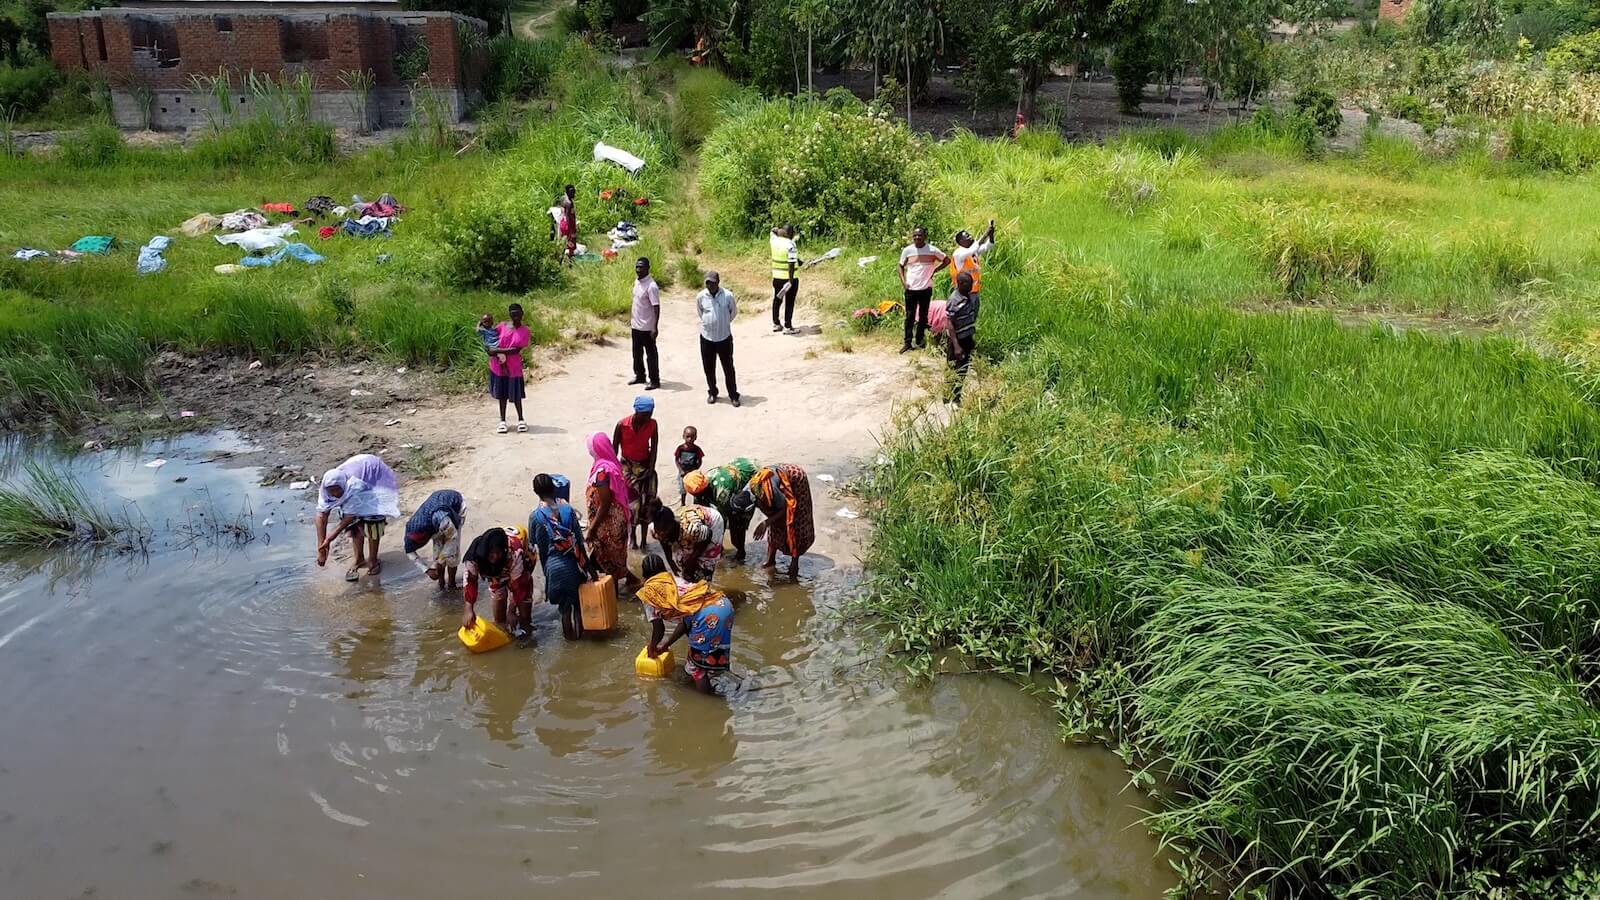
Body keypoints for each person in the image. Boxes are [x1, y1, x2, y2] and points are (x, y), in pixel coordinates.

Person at [637, 553, 734, 695]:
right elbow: (686, 622)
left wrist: (652, 647)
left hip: (708, 616)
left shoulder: (650, 593)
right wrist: (665, 645)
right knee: (709, 657)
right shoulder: (672, 580)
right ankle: (716, 689)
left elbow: (659, 629)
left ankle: (709, 704)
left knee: (696, 668)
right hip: (723, 604)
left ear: (645, 576)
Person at [315, 453, 401, 582]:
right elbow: (321, 516)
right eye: (331, 491)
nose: (335, 494)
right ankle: (359, 559)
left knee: (373, 519)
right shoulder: (325, 491)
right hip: (358, 471)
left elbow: (350, 517)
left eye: (338, 490)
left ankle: (373, 560)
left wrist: (329, 539)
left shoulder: (353, 485)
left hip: (372, 475)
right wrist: (322, 548)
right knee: (354, 526)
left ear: (343, 485)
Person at [529, 473, 589, 641]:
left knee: (565, 610)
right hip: (572, 565)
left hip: (552, 568)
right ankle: (580, 640)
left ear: (535, 492)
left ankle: (570, 643)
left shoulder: (535, 516)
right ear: (554, 488)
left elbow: (534, 543)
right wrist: (588, 567)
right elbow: (579, 540)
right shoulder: (568, 509)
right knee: (577, 606)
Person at [740, 463, 814, 579]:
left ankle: (794, 563)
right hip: (777, 479)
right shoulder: (748, 491)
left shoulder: (771, 492)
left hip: (796, 480)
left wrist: (766, 523)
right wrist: (769, 520)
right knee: (775, 522)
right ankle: (770, 560)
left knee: (794, 522)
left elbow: (786, 509)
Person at [461, 526, 535, 637]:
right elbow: (470, 581)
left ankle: (526, 630)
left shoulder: (514, 554)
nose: (495, 557)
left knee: (524, 602)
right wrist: (468, 608)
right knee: (498, 595)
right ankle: (503, 631)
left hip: (525, 558)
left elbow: (519, 586)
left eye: (498, 553)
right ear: (486, 550)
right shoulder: (475, 555)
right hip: (493, 569)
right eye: (492, 553)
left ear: (503, 551)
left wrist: (512, 610)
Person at [585, 431, 636, 589]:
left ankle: (612, 598)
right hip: (617, 521)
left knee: (608, 560)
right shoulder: (612, 464)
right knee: (615, 556)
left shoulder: (602, 473)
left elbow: (605, 503)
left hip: (608, 524)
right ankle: (630, 579)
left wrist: (592, 529)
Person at [684, 457, 757, 560]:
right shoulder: (701, 483)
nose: (695, 497)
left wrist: (716, 546)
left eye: (696, 495)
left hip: (749, 474)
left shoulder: (722, 491)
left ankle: (741, 552)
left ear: (703, 491)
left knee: (737, 523)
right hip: (733, 472)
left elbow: (721, 521)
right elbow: (700, 511)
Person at [613, 395, 660, 550]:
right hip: (627, 467)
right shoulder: (622, 425)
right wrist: (614, 472)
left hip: (646, 466)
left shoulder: (652, 424)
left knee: (648, 504)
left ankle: (644, 540)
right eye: (646, 414)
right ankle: (632, 536)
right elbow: (614, 450)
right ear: (637, 412)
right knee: (633, 505)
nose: (649, 417)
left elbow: (654, 448)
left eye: (651, 413)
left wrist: (651, 469)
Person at [898, 226, 949, 353]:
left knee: (923, 316)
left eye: (919, 235)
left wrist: (935, 270)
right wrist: (904, 283)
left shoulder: (932, 250)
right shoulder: (907, 250)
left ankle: (920, 341)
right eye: (914, 235)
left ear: (924, 236)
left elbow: (947, 260)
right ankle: (907, 343)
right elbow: (900, 266)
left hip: (925, 288)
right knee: (909, 316)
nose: (917, 238)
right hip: (911, 288)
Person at [402, 488, 466, 590]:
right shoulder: (411, 528)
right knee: (438, 547)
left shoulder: (441, 519)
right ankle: (441, 583)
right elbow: (409, 551)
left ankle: (451, 583)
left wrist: (439, 561)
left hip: (455, 507)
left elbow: (452, 538)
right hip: (435, 518)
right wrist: (426, 570)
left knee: (452, 553)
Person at [651, 503, 726, 584]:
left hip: (712, 522)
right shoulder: (657, 530)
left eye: (663, 532)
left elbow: (707, 537)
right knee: (682, 561)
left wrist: (691, 560)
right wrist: (671, 562)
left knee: (705, 564)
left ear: (672, 525)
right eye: (658, 531)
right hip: (693, 529)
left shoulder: (691, 528)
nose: (660, 535)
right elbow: (664, 541)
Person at [696, 271, 740, 407]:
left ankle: (733, 395)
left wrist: (723, 323)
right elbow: (700, 313)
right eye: (708, 282)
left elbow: (733, 313)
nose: (710, 285)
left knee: (728, 368)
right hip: (707, 338)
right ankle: (712, 392)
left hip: (724, 338)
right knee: (709, 368)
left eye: (713, 282)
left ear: (718, 282)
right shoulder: (701, 297)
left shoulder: (727, 296)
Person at [487, 302, 531, 434]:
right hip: (499, 366)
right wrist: (489, 349)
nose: (515, 316)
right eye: (513, 314)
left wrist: (497, 350)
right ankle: (502, 421)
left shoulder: (524, 331)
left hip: (513, 367)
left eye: (517, 313)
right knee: (502, 395)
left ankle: (521, 419)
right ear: (509, 314)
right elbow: (491, 338)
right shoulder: (502, 326)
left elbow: (515, 349)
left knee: (516, 395)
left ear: (522, 314)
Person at [945, 270, 981, 404]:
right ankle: (948, 395)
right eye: (968, 284)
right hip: (957, 340)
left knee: (964, 368)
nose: (971, 286)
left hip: (967, 337)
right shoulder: (954, 300)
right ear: (960, 284)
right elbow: (949, 324)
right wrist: (956, 346)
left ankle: (956, 396)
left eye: (972, 283)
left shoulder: (970, 296)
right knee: (953, 367)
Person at [629, 257, 662, 389]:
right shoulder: (637, 282)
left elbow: (656, 307)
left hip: (647, 327)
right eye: (637, 267)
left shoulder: (652, 286)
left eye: (641, 267)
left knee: (651, 355)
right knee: (636, 354)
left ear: (648, 268)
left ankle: (654, 380)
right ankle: (640, 375)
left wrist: (655, 327)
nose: (638, 269)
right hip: (635, 325)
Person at [950, 219, 995, 302]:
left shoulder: (973, 252)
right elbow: (972, 249)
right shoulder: (958, 253)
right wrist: (985, 234)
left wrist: (991, 235)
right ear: (961, 241)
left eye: (970, 235)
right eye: (967, 236)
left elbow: (989, 246)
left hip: (974, 291)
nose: (971, 237)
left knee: (973, 314)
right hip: (963, 294)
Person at [770, 224, 801, 335]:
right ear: (790, 233)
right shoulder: (791, 244)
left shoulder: (774, 240)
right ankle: (788, 326)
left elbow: (773, 230)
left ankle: (776, 324)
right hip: (789, 279)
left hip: (776, 276)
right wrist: (791, 280)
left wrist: (779, 231)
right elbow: (791, 263)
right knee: (789, 302)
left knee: (777, 299)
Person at [674, 426, 705, 506]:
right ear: (683, 436)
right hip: (683, 473)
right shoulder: (681, 448)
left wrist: (695, 470)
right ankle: (683, 503)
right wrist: (680, 470)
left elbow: (700, 460)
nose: (690, 439)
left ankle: (696, 503)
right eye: (687, 437)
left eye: (692, 437)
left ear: (695, 437)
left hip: (692, 473)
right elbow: (677, 459)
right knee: (683, 489)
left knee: (695, 488)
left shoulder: (697, 449)